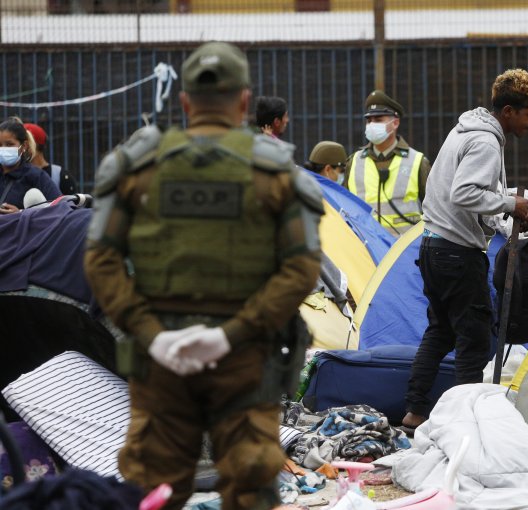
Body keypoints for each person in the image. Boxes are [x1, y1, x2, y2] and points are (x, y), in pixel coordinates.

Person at [83, 42, 323, 510]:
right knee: (250, 487)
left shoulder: (136, 167)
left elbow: (100, 260)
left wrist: (151, 334)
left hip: (161, 361)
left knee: (154, 488)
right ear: (242, 101)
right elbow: (302, 268)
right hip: (246, 360)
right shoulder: (277, 173)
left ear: (185, 101)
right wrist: (232, 333)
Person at [402, 68, 528, 430]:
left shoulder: (465, 130)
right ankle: (463, 425)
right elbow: (465, 193)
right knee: (474, 339)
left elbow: (473, 194)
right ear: (509, 111)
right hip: (456, 254)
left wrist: (507, 215)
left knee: (440, 332)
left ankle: (415, 412)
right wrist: (512, 205)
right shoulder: (484, 141)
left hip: (433, 246)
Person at [345, 90, 431, 236]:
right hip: (366, 250)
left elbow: (434, 210)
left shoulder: (417, 162)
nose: (372, 124)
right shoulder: (354, 162)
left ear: (395, 123)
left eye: (378, 119)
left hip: (404, 252)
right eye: (369, 120)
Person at [0, 119, 61, 214]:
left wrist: (20, 214)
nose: (3, 149)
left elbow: (60, 208)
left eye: (9, 144)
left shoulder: (36, 176)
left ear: (24, 146)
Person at [23, 123, 76, 195]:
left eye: (24, 144)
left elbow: (72, 205)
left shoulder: (60, 176)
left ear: (34, 145)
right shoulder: (13, 174)